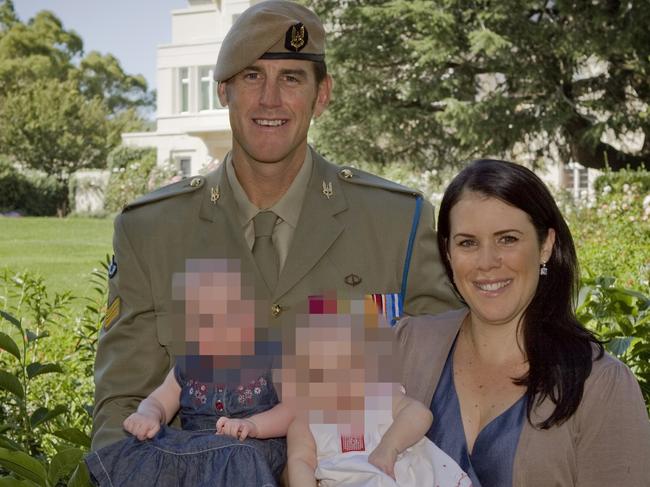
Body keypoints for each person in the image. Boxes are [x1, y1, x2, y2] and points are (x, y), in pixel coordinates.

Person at [92, 0, 459, 473]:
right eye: (251, 76)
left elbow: (445, 387)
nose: (269, 99)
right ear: (223, 91)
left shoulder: (395, 223)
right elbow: (122, 406)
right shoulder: (151, 231)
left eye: (290, 78)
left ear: (321, 95)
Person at [397, 159, 650, 487]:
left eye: (508, 239)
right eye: (467, 243)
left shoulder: (601, 385)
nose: (487, 262)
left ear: (545, 245)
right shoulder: (404, 345)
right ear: (447, 252)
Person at [85, 261, 289, 485]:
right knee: (144, 447)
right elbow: (159, 401)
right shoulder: (189, 365)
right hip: (193, 447)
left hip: (250, 446)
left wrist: (254, 426)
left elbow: (292, 410)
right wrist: (148, 415)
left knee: (240, 455)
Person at [285, 295, 472, 487]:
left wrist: (389, 446)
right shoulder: (305, 422)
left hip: (403, 474)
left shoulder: (381, 395)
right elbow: (301, 462)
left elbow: (420, 414)